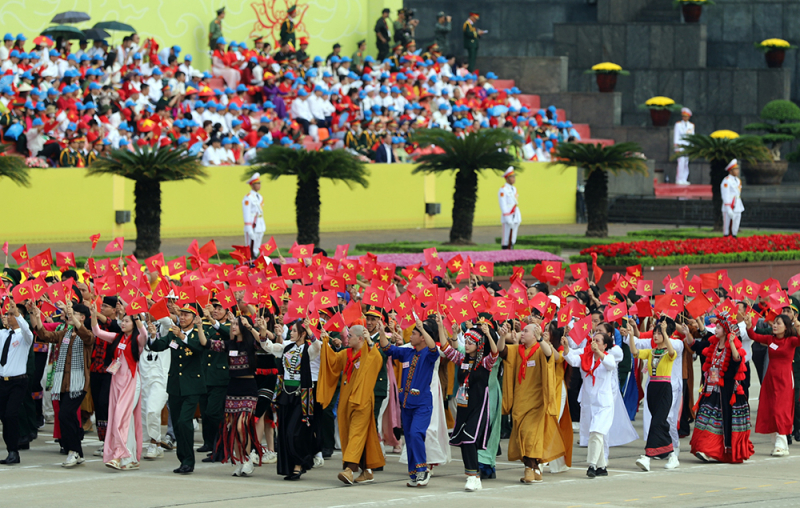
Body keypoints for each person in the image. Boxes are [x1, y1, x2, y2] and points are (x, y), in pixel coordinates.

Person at [318, 325, 385, 485]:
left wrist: (370, 342)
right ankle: (367, 471)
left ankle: (349, 469)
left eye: (350, 336)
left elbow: (377, 360)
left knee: (356, 434)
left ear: (360, 338)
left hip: (362, 401)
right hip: (346, 401)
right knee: (351, 434)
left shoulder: (369, 353)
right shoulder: (346, 354)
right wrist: (324, 341)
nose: (346, 338)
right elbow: (332, 361)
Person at [378, 316, 439, 488]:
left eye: (414, 334)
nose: (410, 336)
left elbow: (433, 347)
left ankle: (423, 470)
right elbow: (387, 348)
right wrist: (382, 332)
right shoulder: (407, 352)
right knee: (410, 438)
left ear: (422, 337)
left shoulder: (428, 354)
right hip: (406, 404)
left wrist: (423, 328)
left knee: (416, 433)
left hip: (422, 404)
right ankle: (414, 473)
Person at [147, 305, 209, 474]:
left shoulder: (198, 333)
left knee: (184, 422)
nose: (182, 317)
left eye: (186, 315)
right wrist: (152, 335)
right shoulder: (173, 333)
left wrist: (182, 336)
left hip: (192, 385)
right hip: (175, 385)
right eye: (180, 314)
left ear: (194, 318)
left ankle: (189, 460)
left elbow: (199, 348)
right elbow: (158, 346)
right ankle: (183, 460)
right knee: (177, 423)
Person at [32, 300, 94, 468]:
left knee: (65, 414)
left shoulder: (87, 334)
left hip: (78, 383)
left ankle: (72, 450)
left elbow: (87, 336)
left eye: (74, 314)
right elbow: (45, 335)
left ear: (82, 317)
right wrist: (36, 317)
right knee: (68, 416)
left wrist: (72, 316)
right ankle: (77, 452)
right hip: (62, 382)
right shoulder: (64, 333)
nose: (69, 316)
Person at [499, 322, 562, 484]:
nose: (522, 333)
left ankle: (529, 469)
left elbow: (550, 355)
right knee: (521, 435)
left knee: (530, 435)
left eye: (525, 331)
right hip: (520, 402)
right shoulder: (517, 351)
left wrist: (541, 340)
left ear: (535, 335)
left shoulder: (540, 349)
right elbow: (502, 351)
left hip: (537, 402)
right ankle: (535, 469)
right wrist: (502, 336)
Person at [89, 305, 149, 471]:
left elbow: (145, 334)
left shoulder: (138, 340)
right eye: (122, 321)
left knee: (120, 418)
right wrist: (93, 315)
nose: (123, 323)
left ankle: (117, 456)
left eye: (127, 321)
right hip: (116, 382)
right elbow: (97, 332)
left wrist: (137, 318)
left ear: (134, 324)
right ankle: (130, 459)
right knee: (123, 420)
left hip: (131, 382)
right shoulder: (117, 337)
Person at [440, 324, 499, 492]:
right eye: (465, 342)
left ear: (479, 345)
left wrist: (488, 335)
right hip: (463, 405)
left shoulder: (485, 362)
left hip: (478, 405)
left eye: (470, 343)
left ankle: (473, 477)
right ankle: (474, 476)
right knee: (463, 440)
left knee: (469, 438)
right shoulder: (462, 360)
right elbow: (446, 348)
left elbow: (495, 353)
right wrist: (441, 327)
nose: (466, 345)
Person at [260, 319, 321, 480]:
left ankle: (299, 463)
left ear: (302, 333)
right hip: (285, 394)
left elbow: (317, 347)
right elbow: (268, 346)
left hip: (302, 396)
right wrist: (263, 330)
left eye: (294, 330)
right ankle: (290, 465)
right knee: (284, 431)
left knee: (294, 432)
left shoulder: (308, 349)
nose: (291, 333)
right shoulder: (287, 347)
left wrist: (309, 330)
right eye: (292, 330)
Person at [690, 313, 754, 464]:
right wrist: (687, 334)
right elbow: (696, 346)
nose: (715, 330)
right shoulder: (713, 345)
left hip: (726, 392)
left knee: (717, 422)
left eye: (718, 327)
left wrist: (731, 342)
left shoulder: (731, 348)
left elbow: (737, 359)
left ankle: (711, 451)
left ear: (725, 332)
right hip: (711, 390)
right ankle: (705, 449)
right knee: (705, 419)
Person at [206, 314, 265, 477]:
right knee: (233, 428)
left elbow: (262, 341)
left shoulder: (251, 343)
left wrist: (251, 327)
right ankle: (240, 461)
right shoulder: (229, 344)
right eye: (232, 324)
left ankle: (247, 459)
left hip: (248, 388)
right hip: (233, 389)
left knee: (242, 425)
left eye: (236, 324)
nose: (233, 327)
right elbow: (207, 343)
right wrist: (199, 325)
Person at [562, 331, 616, 478]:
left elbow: (610, 365)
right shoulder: (586, 357)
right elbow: (572, 360)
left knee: (596, 432)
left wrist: (599, 352)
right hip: (589, 402)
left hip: (603, 404)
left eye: (598, 341)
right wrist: (566, 347)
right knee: (594, 433)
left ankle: (592, 464)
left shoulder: (609, 357)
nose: (594, 343)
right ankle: (602, 466)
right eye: (593, 340)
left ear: (605, 345)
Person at [629, 318, 680, 471]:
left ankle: (647, 457)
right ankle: (672, 455)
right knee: (660, 423)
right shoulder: (651, 352)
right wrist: (631, 335)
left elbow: (672, 353)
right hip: (652, 388)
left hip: (664, 388)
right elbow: (635, 352)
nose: (655, 336)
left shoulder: (670, 351)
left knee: (657, 422)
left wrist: (665, 332)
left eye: (659, 333)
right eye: (655, 333)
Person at [746, 313, 799, 457]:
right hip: (770, 379)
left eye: (778, 323)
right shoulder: (770, 339)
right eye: (774, 323)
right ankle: (778, 443)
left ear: (786, 327)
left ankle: (781, 444)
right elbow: (753, 336)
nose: (775, 325)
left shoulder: (791, 341)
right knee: (770, 409)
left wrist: (798, 327)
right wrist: (749, 325)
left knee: (780, 410)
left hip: (785, 379)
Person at [0, 296, 34, 465]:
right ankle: (11, 451)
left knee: (11, 414)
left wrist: (18, 315)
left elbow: (27, 330)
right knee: (4, 417)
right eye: (7, 314)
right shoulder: (3, 334)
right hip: (2, 381)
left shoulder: (24, 336)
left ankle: (14, 451)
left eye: (11, 314)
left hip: (18, 382)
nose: (8, 316)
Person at [243, 172, 266, 259]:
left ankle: (255, 260)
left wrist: (263, 225)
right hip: (252, 225)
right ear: (252, 185)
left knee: (257, 246)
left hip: (259, 225)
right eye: (257, 183)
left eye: (259, 183)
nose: (259, 185)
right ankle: (250, 263)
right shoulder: (248, 197)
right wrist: (248, 228)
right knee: (250, 247)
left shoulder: (260, 197)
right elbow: (246, 213)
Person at [498, 167, 521, 249]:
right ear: (507, 178)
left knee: (513, 237)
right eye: (512, 177)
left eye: (514, 177)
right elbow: (503, 204)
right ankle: (505, 250)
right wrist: (507, 217)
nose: (514, 179)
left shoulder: (514, 189)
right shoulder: (503, 189)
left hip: (515, 213)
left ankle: (512, 248)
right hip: (508, 214)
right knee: (506, 237)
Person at [721, 159, 744, 238]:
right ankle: (726, 235)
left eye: (738, 169)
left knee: (736, 221)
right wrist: (728, 208)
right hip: (729, 204)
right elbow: (725, 194)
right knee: (727, 223)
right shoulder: (727, 181)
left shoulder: (738, 180)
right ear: (730, 171)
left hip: (737, 204)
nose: (737, 171)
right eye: (735, 169)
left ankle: (734, 235)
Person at [673, 107, 694, 184]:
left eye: (686, 116)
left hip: (687, 147)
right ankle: (679, 179)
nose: (684, 117)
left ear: (689, 117)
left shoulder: (691, 125)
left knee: (686, 163)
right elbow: (676, 136)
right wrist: (676, 148)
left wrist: (692, 148)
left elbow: (692, 137)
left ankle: (684, 179)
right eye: (683, 116)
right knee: (680, 163)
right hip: (680, 147)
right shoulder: (678, 125)